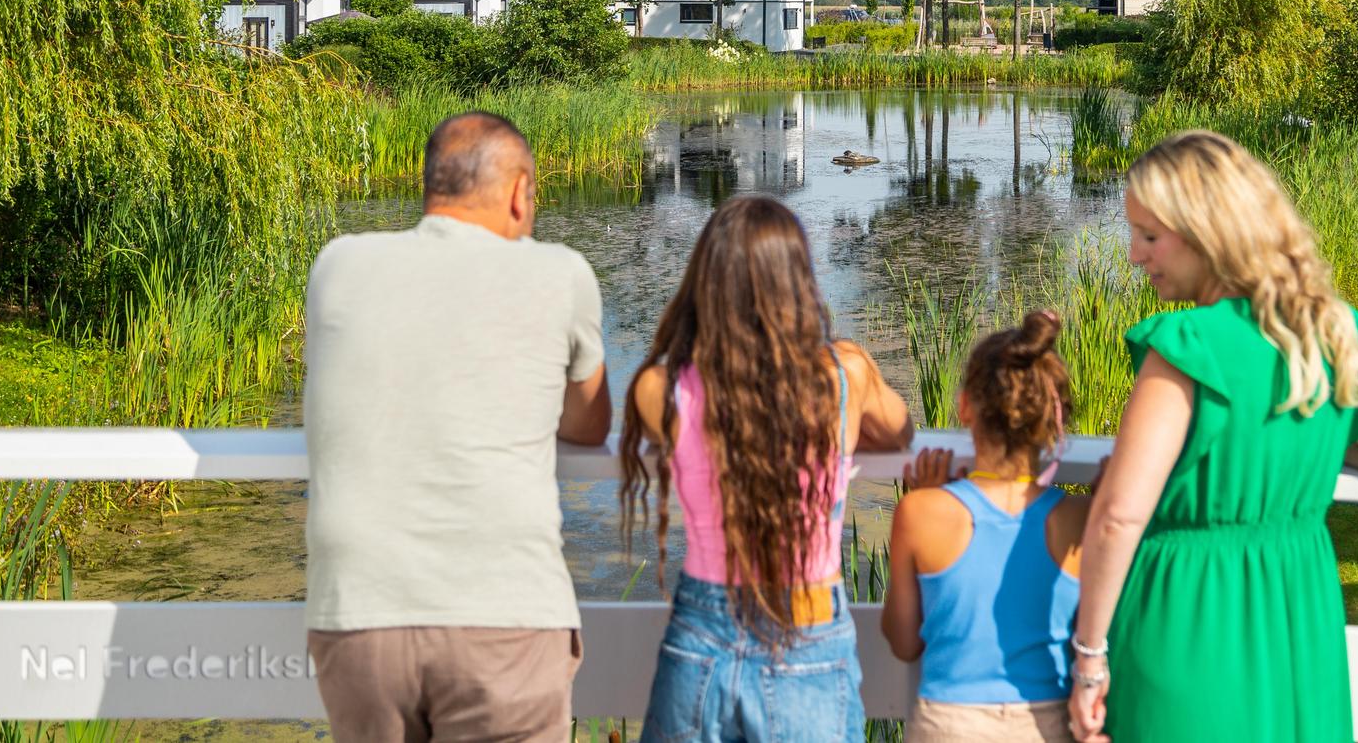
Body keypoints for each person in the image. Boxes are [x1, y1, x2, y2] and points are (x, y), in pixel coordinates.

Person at [1068, 130, 1358, 743]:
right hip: (1299, 617)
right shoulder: (1327, 333)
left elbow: (1118, 516)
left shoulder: (1188, 348)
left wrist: (1089, 657)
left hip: (1188, 618)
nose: (1134, 255)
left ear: (1208, 232)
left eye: (1150, 236)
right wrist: (1308, 440)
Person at [303, 111, 611, 743]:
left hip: (358, 616)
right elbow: (588, 424)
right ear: (520, 193)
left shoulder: (337, 264)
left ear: (431, 187)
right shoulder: (560, 273)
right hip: (504, 615)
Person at [622, 193, 914, 741]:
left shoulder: (658, 388)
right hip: (806, 625)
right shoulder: (845, 375)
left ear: (706, 282)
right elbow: (900, 432)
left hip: (701, 634)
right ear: (798, 282)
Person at [884, 310, 1086, 743]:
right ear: (1050, 418)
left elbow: (903, 642)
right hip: (1045, 724)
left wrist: (928, 497)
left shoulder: (920, 513)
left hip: (948, 724)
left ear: (964, 407)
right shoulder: (1079, 518)